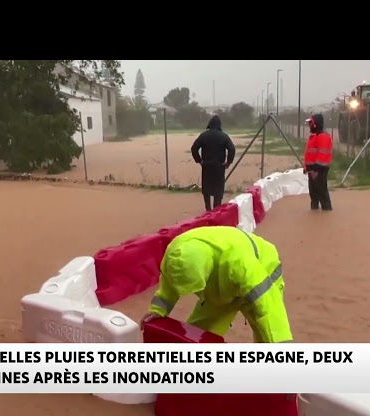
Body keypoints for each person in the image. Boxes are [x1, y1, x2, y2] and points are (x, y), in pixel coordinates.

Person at [140, 226, 293, 344]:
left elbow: (268, 308)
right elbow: (169, 283)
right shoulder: (175, 254)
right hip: (221, 286)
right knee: (196, 336)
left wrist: (282, 346)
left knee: (267, 340)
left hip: (262, 272)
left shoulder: (238, 263)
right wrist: (159, 309)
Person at [191, 116, 236, 212]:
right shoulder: (224, 136)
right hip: (219, 167)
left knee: (206, 188)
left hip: (206, 166)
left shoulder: (203, 135)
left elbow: (194, 148)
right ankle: (216, 210)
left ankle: (208, 209)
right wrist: (228, 162)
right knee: (218, 189)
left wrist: (199, 160)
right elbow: (231, 149)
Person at [303, 113, 333, 211]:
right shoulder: (314, 136)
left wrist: (315, 169)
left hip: (319, 170)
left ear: (315, 124)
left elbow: (322, 155)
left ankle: (326, 211)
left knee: (322, 193)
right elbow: (309, 154)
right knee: (314, 194)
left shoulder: (323, 136)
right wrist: (306, 168)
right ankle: (315, 212)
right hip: (312, 170)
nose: (309, 126)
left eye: (311, 123)